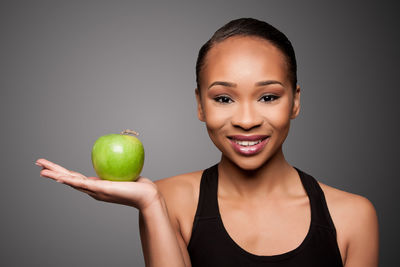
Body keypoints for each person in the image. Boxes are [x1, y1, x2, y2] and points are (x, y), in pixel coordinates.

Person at [35, 18, 379, 267]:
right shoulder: (168, 201)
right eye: (224, 99)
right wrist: (151, 205)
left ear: (295, 101)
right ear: (200, 105)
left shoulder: (352, 217)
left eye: (268, 97)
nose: (246, 120)